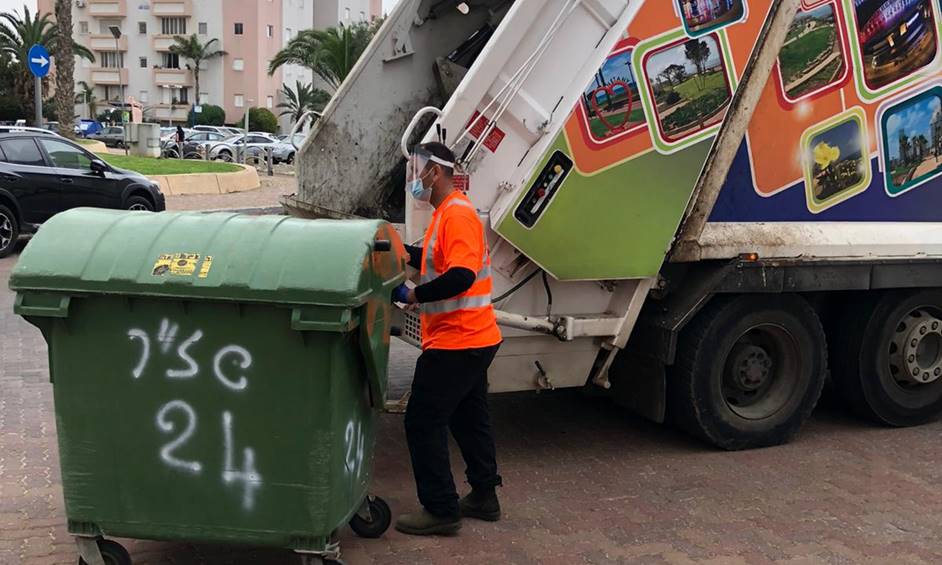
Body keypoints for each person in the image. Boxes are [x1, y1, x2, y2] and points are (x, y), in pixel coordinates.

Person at [392, 141, 503, 536]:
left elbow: (461, 276)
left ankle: (440, 509)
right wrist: (396, 251)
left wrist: (413, 295)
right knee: (469, 417)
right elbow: (431, 259)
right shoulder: (446, 213)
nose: (414, 178)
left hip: (459, 340)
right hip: (475, 338)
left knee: (423, 420)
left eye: (417, 169)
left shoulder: (456, 215)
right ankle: (484, 495)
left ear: (434, 172)